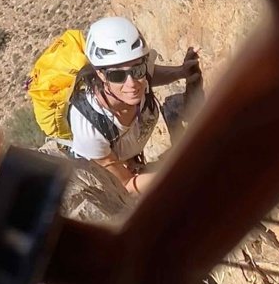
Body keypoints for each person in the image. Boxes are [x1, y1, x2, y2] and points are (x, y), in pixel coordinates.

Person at [67, 16, 201, 195]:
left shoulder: (142, 73)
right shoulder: (90, 128)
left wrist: (181, 72)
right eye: (117, 76)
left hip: (130, 156)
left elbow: (151, 74)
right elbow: (126, 185)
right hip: (109, 176)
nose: (132, 84)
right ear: (100, 74)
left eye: (137, 71)